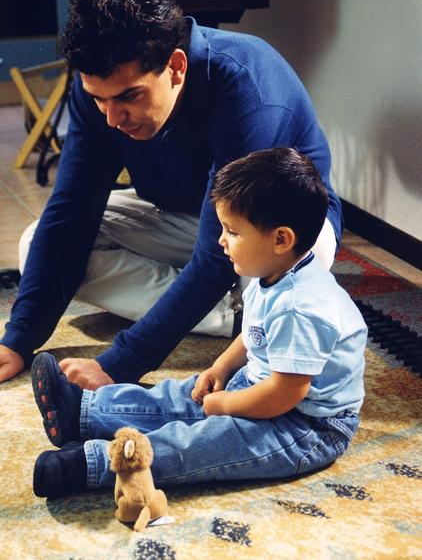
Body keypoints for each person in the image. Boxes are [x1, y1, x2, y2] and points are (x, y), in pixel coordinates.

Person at [0, 0, 342, 388]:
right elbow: (72, 207)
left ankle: (244, 305)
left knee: (297, 265)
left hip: (267, 231)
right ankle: (233, 315)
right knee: (37, 243)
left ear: (177, 67)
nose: (111, 118)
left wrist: (120, 363)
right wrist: (17, 340)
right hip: (181, 216)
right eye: (98, 99)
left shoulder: (246, 85)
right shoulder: (102, 90)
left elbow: (218, 251)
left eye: (129, 97)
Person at [31, 148, 366, 499]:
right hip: (263, 386)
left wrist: (227, 406)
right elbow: (255, 332)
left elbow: (286, 393)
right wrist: (221, 367)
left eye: (232, 231)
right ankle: (83, 412)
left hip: (306, 426)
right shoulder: (271, 273)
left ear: (281, 239)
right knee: (181, 396)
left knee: (203, 442)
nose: (221, 240)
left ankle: (90, 465)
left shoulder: (302, 307)